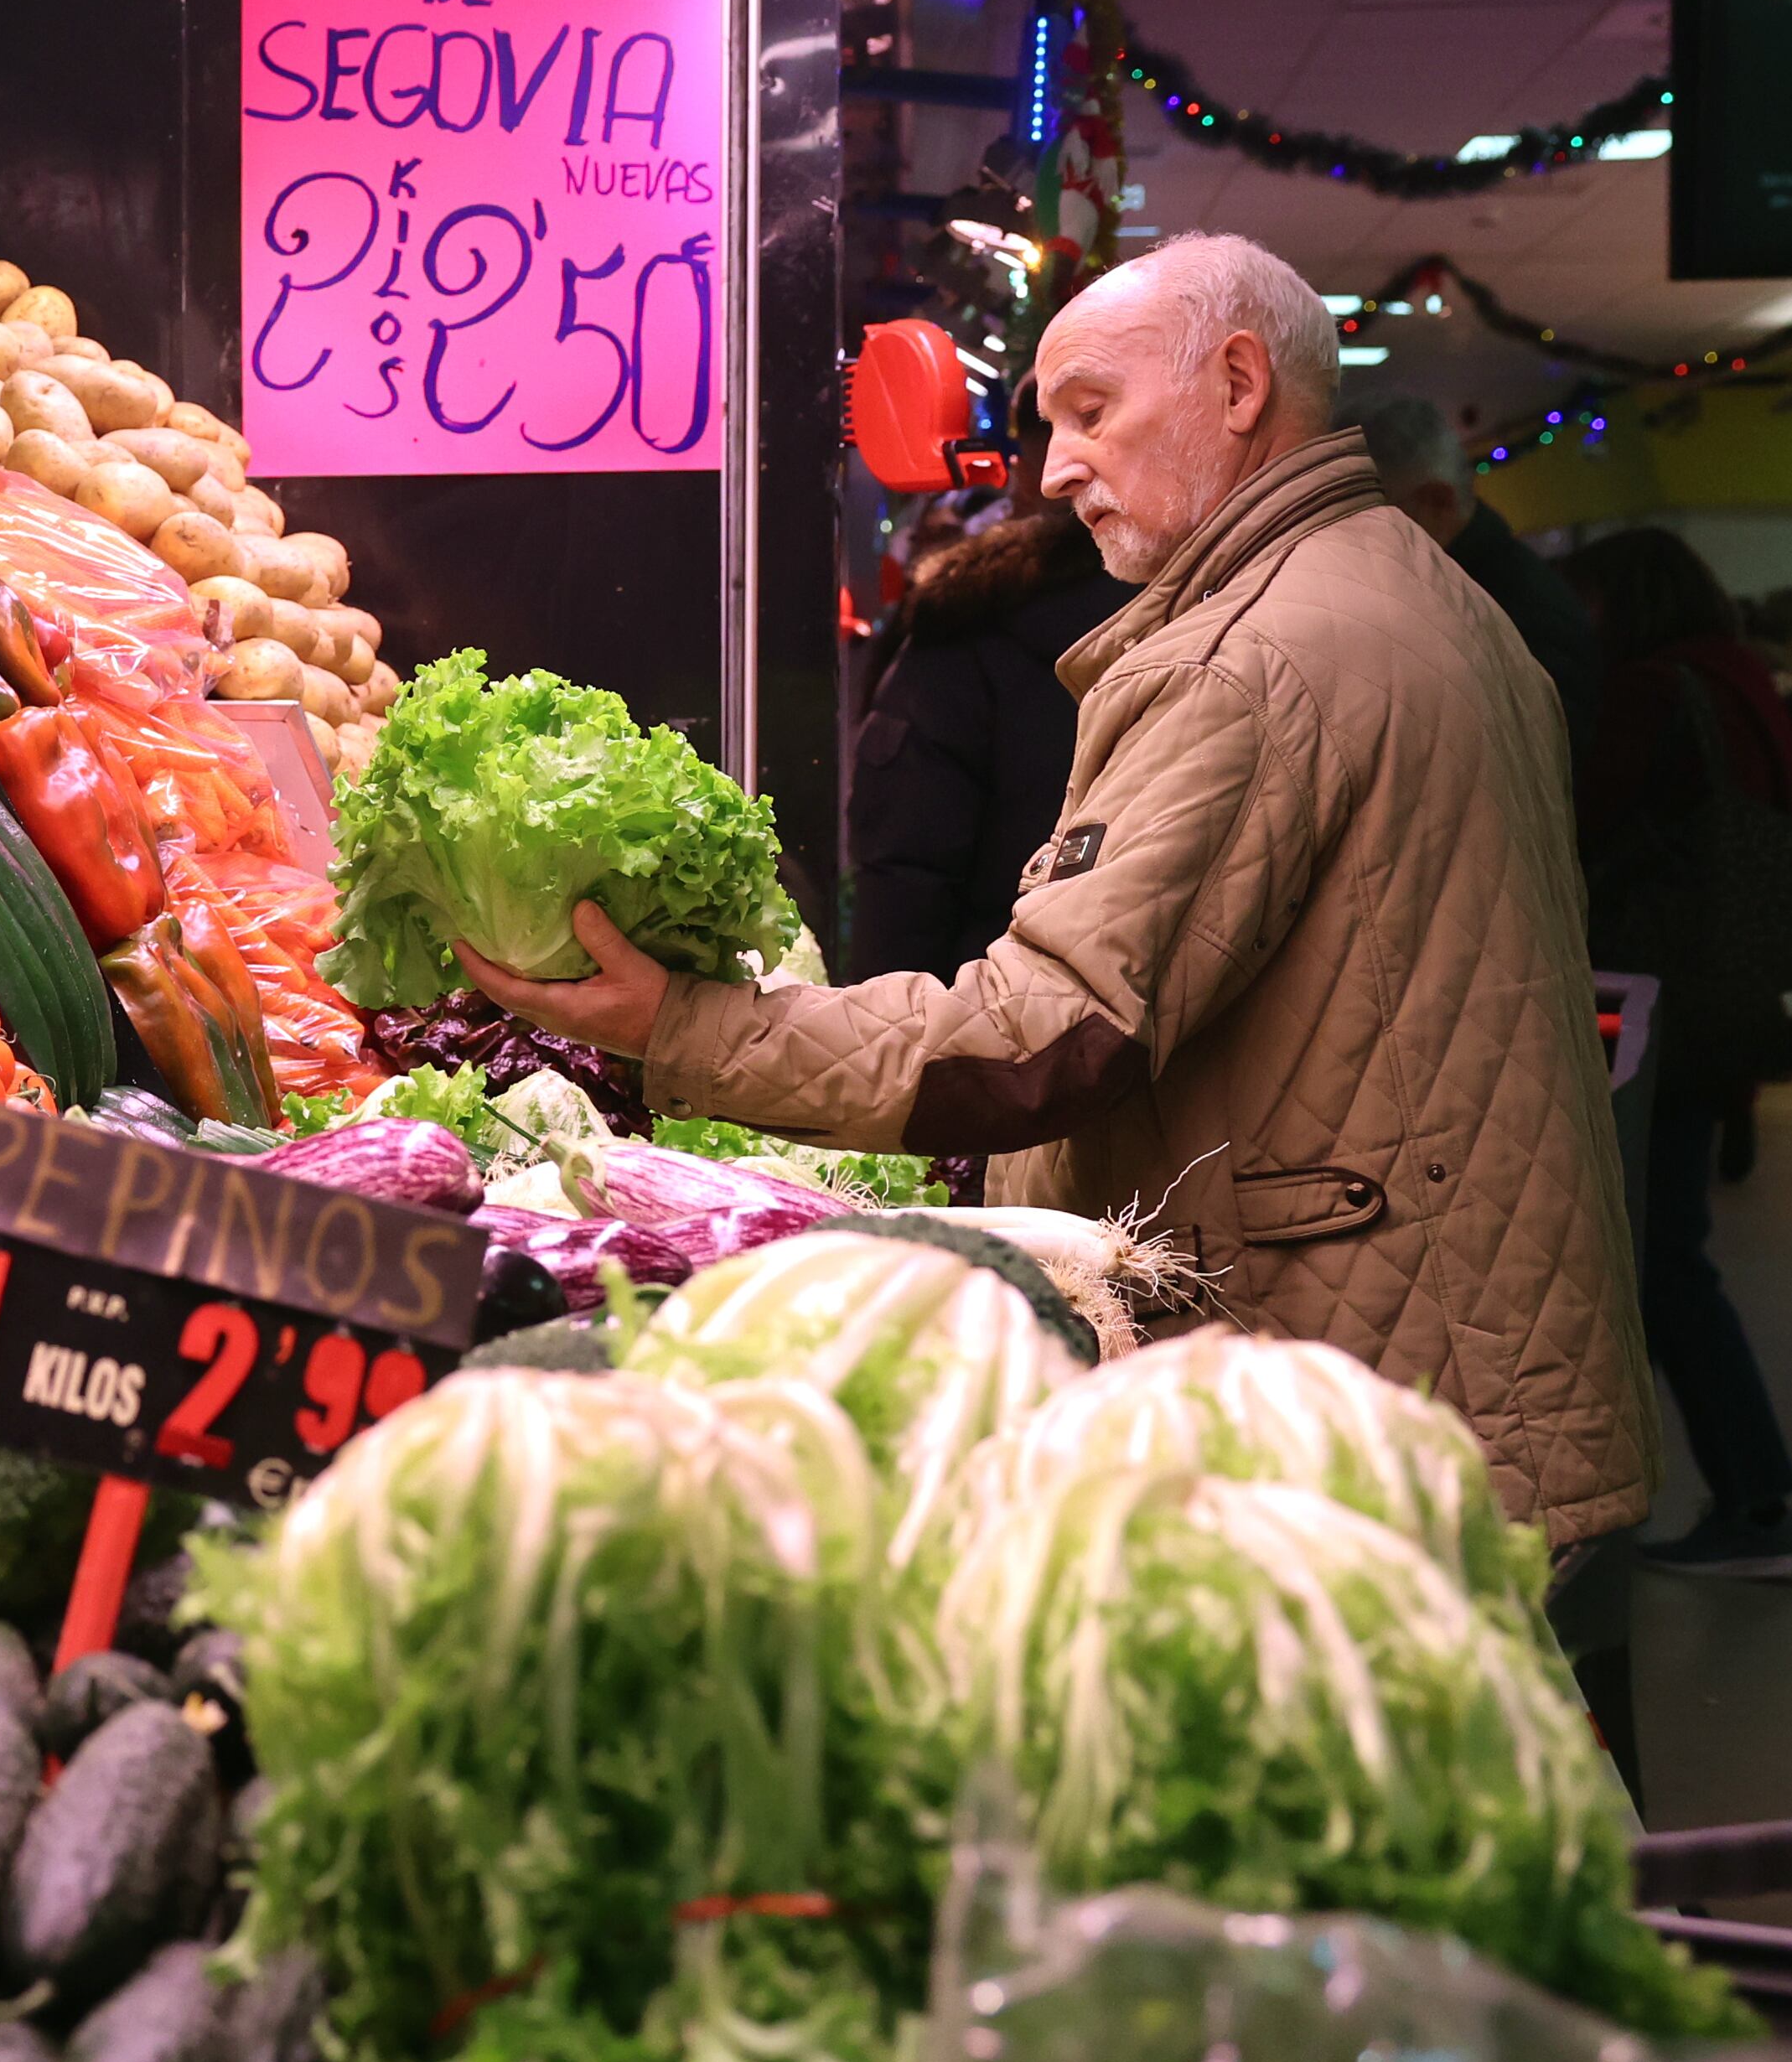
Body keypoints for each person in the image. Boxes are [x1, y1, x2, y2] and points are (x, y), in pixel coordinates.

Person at [463, 234, 1650, 1548]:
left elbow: (1053, 1029)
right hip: (1461, 1351)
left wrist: (680, 1025)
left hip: (1366, 1375)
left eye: (1092, 411)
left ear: (1239, 382)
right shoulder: (1421, 594)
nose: (1056, 466)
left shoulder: (1253, 658)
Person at [1562, 526, 1792, 1573]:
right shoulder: (1740, 677)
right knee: (1672, 1249)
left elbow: (1581, 822)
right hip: (1729, 998)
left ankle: (1754, 1497)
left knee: (1658, 1261)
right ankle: (1753, 1493)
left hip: (1654, 1004)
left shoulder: (1654, 691)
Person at [845, 489, 1136, 979]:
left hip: (971, 1007)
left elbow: (904, 873)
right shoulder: (1204, 615)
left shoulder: (964, 619)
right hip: (1124, 1005)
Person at [1364, 395, 1600, 774]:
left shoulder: (1511, 607)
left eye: (1370, 518)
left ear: (1436, 500)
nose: (1356, 543)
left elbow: (1546, 768)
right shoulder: (1481, 588)